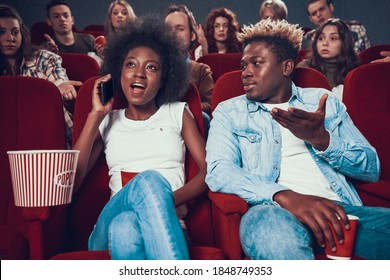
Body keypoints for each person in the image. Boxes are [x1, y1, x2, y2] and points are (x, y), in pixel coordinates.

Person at [205, 18, 390, 260]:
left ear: (287, 67)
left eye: (257, 63)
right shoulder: (230, 111)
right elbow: (219, 171)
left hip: (339, 212)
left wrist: (323, 140)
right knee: (272, 231)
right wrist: (284, 195)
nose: (246, 72)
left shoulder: (322, 101)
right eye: (244, 65)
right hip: (273, 212)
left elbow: (371, 169)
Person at [73, 15, 207, 259]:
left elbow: (211, 171)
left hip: (165, 225)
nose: (140, 74)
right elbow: (71, 183)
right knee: (150, 181)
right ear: (118, 72)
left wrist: (160, 203)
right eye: (131, 64)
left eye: (152, 67)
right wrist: (96, 114)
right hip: (106, 228)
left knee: (126, 229)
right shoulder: (109, 120)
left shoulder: (177, 113)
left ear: (165, 77)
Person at [0, 4, 81, 147]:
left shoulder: (45, 58)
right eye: (1, 32)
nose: (10, 38)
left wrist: (60, 90)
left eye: (15, 32)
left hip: (48, 134)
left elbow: (59, 80)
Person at [164, 4, 213, 135]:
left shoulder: (201, 70)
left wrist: (182, 108)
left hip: (190, 125)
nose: (173, 34)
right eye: (168, 29)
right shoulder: (151, 68)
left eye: (179, 29)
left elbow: (210, 105)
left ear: (192, 35)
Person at [298, 18, 360, 100]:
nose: (325, 43)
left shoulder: (355, 70)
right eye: (321, 38)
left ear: (344, 43)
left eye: (333, 38)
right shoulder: (304, 69)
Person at [305, 0, 370, 53]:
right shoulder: (309, 37)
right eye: (314, 13)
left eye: (322, 9)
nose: (318, 14)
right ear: (310, 19)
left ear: (331, 8)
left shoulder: (356, 28)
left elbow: (367, 56)